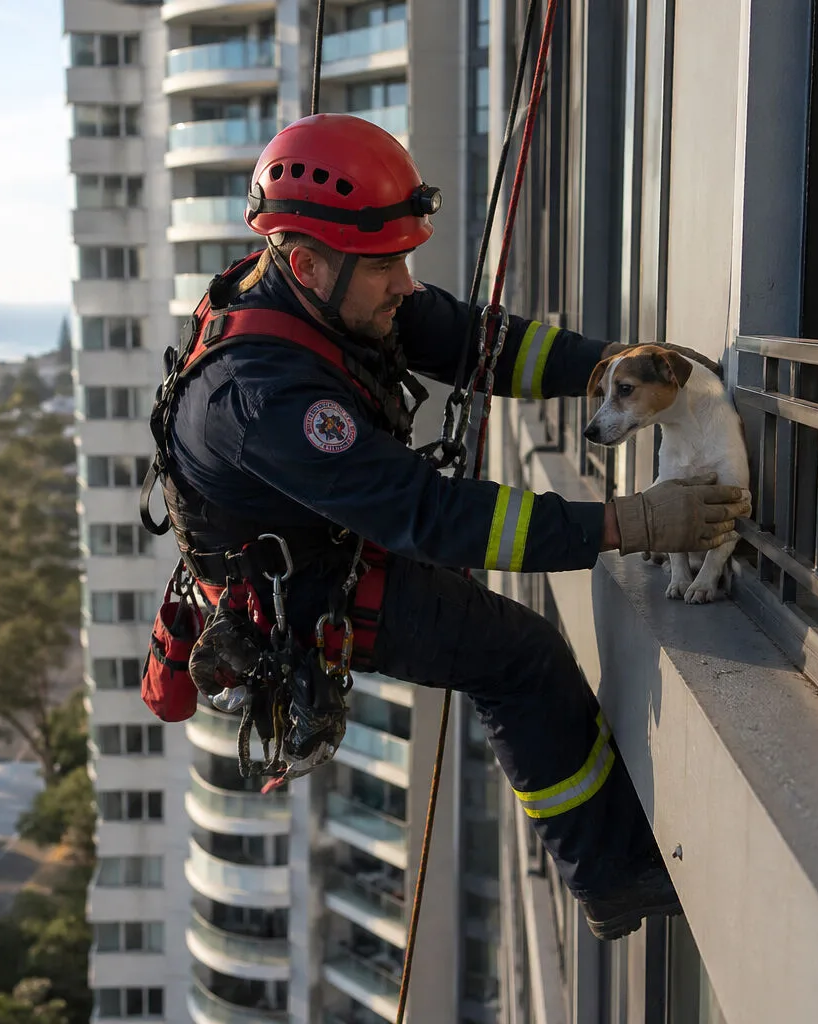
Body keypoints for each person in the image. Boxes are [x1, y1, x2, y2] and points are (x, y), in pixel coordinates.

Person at [147, 113, 749, 941]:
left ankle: (611, 852)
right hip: (302, 592)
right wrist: (632, 522)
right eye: (389, 264)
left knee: (512, 644)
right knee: (519, 657)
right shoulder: (265, 398)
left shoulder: (330, 289)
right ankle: (610, 877)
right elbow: (429, 516)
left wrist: (622, 368)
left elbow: (478, 342)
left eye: (405, 258)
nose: (404, 282)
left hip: (331, 531)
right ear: (309, 263)